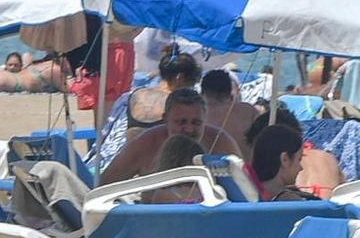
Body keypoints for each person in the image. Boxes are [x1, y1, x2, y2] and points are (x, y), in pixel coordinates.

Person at [102, 87, 242, 183]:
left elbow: (247, 188)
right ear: (165, 120)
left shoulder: (220, 142)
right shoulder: (146, 144)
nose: (189, 129)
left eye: (196, 122)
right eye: (181, 122)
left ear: (205, 120)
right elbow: (105, 184)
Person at [200, 66, 261, 147]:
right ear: (230, 92)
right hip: (247, 159)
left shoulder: (198, 116)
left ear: (202, 93)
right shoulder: (249, 111)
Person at [250, 123, 313, 201]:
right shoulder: (290, 200)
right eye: (299, 160)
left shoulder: (248, 192)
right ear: (285, 159)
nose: (301, 168)